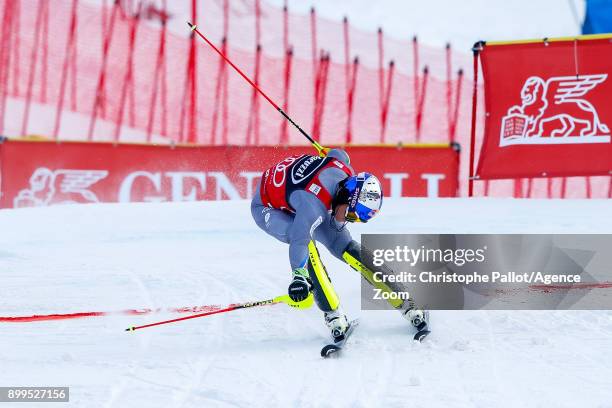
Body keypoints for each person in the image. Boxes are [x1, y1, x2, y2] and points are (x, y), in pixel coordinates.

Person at [251, 148, 427, 341]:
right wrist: (299, 277)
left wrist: (328, 153)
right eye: (351, 214)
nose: (348, 220)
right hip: (267, 207)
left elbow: (338, 153)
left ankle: (405, 300)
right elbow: (299, 240)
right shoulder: (313, 207)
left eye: (355, 219)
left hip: (301, 189)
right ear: (345, 197)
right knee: (304, 240)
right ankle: (333, 315)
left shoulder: (345, 172)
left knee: (345, 245)